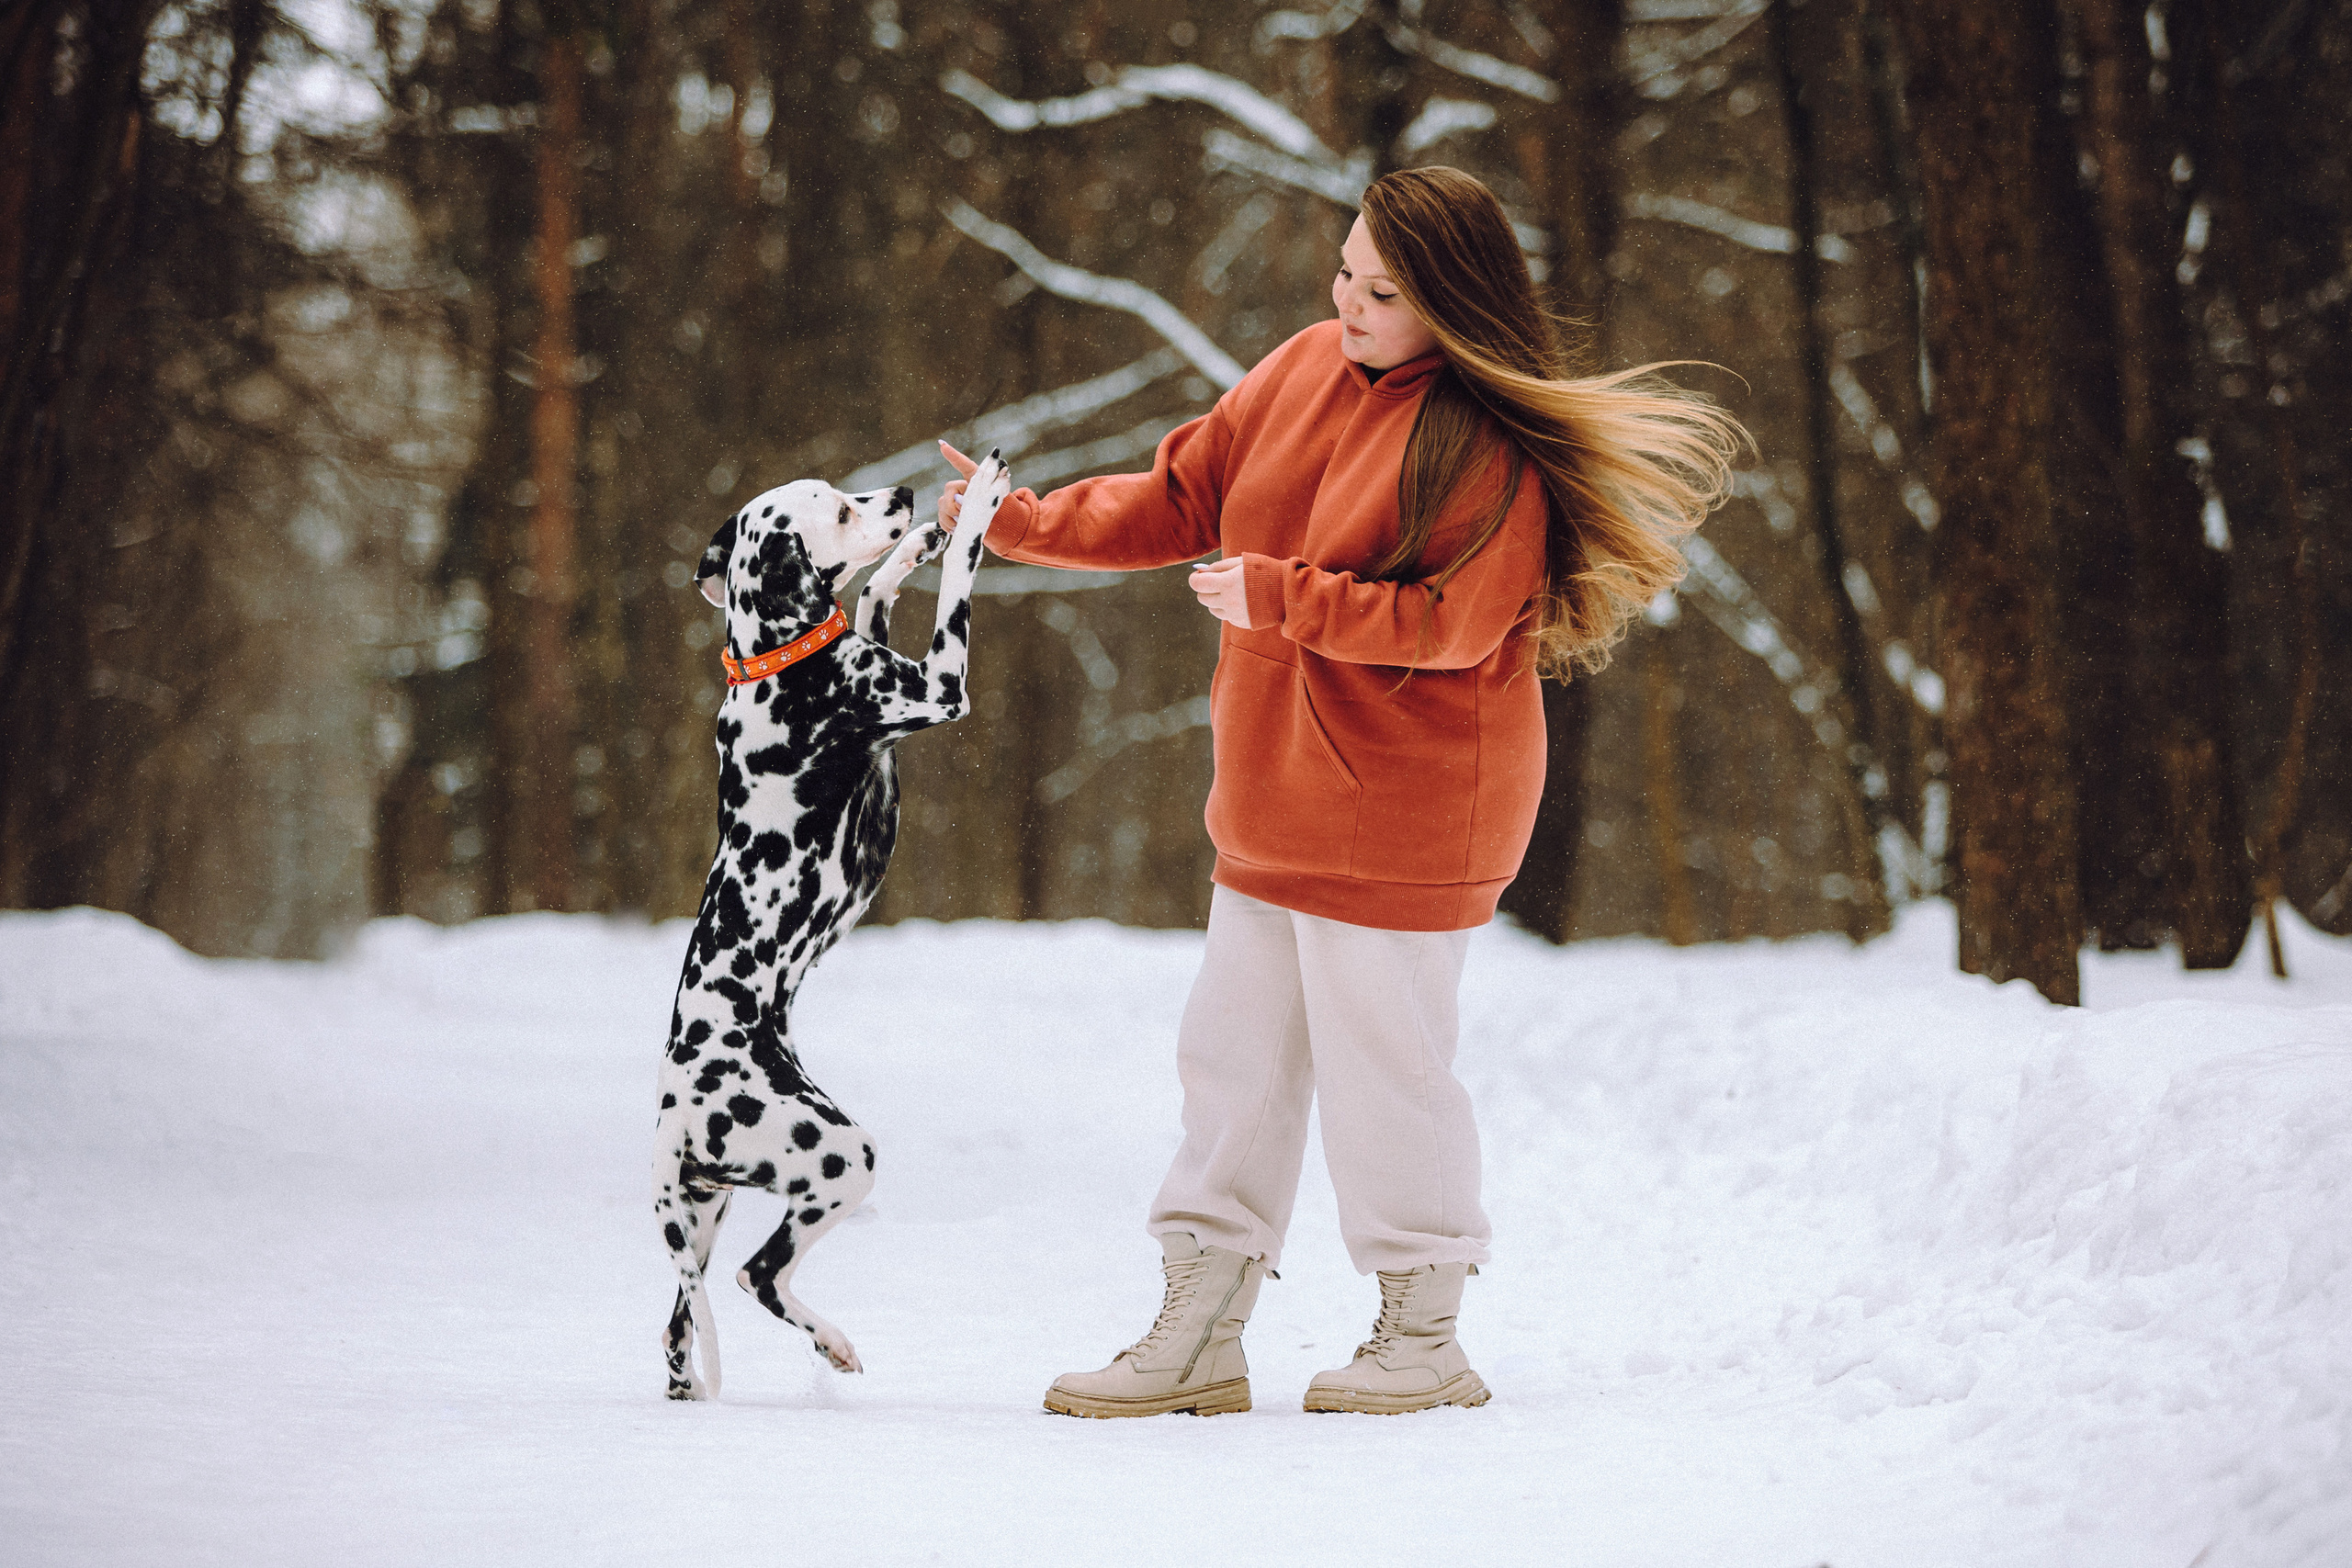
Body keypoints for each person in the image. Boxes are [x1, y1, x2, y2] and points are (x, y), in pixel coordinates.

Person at [937, 165, 1744, 1417]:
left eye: (1382, 293)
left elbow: (1450, 624)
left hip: (1412, 807)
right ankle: (1199, 1335)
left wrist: (1280, 596)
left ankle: (1424, 1338)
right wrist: (1022, 526)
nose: (1348, 305)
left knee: (1386, 1074)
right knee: (1231, 1067)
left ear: (1452, 303)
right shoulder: (1304, 368)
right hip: (1274, 792)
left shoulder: (1486, 444)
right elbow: (1182, 497)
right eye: (1345, 275)